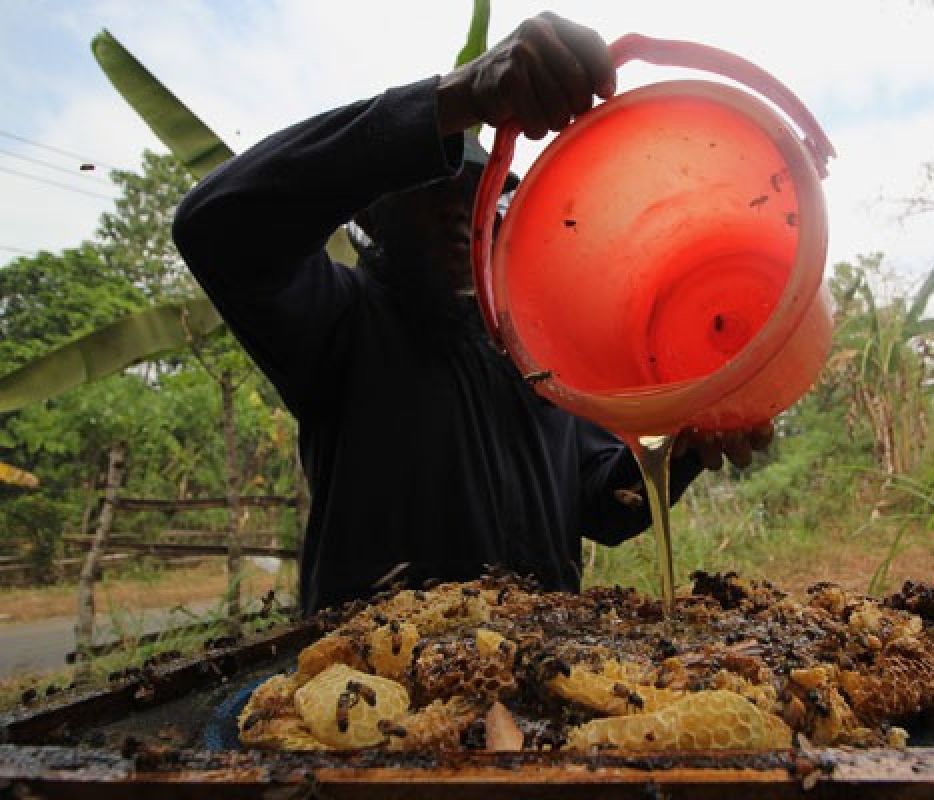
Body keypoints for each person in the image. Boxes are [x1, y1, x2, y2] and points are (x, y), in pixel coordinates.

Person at [173, 13, 771, 616]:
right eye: (434, 191)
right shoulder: (340, 319)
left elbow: (605, 508)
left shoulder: (533, 354)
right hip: (373, 687)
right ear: (374, 217)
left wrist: (689, 440)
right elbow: (216, 224)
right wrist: (459, 96)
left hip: (540, 681)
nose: (460, 213)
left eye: (475, 195)